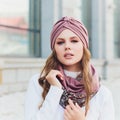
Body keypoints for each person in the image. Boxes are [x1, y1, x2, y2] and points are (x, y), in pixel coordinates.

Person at [25, 16, 115, 120]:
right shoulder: (38, 83)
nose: (67, 46)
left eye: (74, 41)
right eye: (60, 42)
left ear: (84, 46)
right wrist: (55, 89)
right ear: (54, 49)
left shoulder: (102, 93)